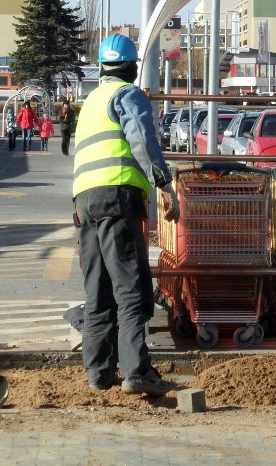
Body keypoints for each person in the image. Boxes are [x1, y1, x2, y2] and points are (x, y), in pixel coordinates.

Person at [73, 33, 180, 396]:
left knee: (99, 291)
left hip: (84, 204)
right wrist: (165, 185)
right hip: (117, 198)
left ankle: (99, 374)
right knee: (132, 289)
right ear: (133, 67)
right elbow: (143, 142)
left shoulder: (90, 101)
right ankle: (137, 372)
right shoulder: (126, 94)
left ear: (103, 66)